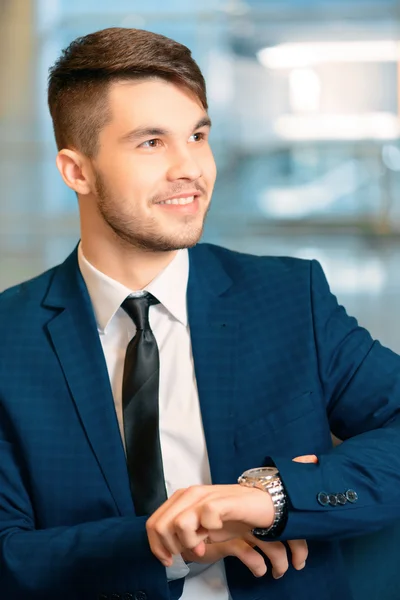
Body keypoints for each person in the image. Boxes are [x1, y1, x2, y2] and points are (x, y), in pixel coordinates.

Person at [0, 27, 400, 600]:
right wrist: (161, 545)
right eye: (151, 142)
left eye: (197, 134)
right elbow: (8, 554)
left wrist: (272, 497)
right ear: (76, 171)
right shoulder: (9, 340)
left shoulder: (290, 297)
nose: (190, 168)